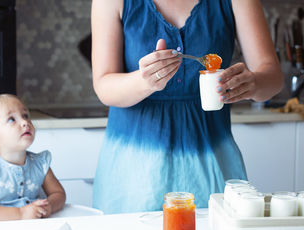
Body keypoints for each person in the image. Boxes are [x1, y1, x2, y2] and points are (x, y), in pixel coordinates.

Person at [91, 0, 283, 213]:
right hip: (133, 173)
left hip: (212, 164)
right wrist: (144, 81)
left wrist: (255, 83)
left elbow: (273, 77)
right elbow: (103, 86)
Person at [0, 94, 66, 221]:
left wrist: (50, 207)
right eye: (11, 119)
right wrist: (20, 213)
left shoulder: (40, 163)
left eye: (25, 115)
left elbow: (59, 194)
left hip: (28, 227)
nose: (25, 122)